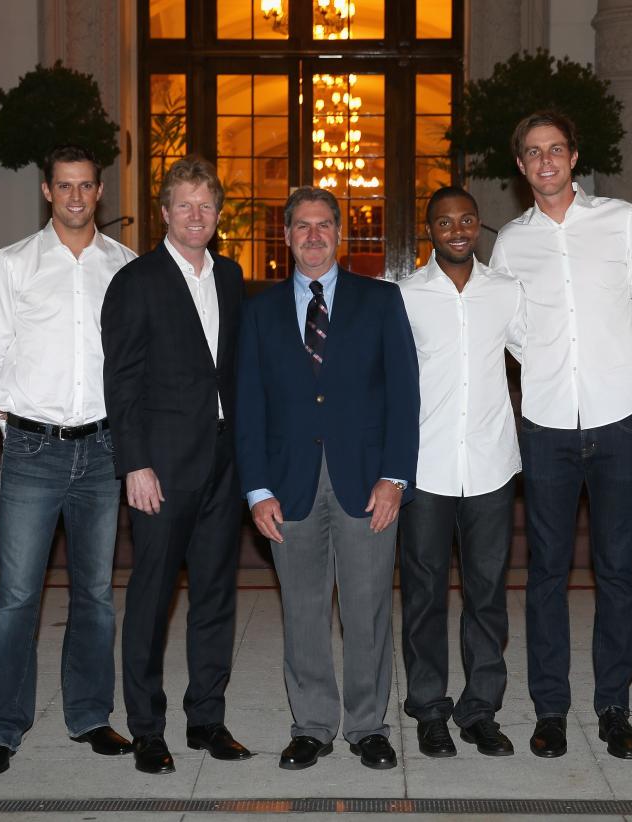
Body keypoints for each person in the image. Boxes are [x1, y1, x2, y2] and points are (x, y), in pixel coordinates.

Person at [490, 110, 632, 761]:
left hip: (621, 418)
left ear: (573, 154)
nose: (546, 161)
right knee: (546, 575)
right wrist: (550, 360)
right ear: (522, 166)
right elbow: (508, 326)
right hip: (548, 425)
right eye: (533, 153)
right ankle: (551, 710)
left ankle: (613, 707)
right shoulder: (510, 242)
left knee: (617, 572)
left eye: (555, 149)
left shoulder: (620, 219)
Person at [235, 187, 419, 771]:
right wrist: (257, 488)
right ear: (286, 237)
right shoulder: (258, 310)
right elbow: (248, 405)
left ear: (340, 234)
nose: (313, 236)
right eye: (302, 227)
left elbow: (405, 394)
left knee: (366, 607)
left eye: (323, 226)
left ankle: (368, 726)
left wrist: (395, 476)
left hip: (366, 480)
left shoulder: (381, 300)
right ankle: (312, 724)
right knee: (303, 608)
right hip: (287, 482)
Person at [0, 145, 136, 775]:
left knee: (95, 593)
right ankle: (2, 727)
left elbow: (128, 364)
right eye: (64, 186)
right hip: (33, 449)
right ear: (46, 190)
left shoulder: (123, 267)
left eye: (86, 187)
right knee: (16, 596)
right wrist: (20, 430)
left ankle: (91, 715)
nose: (75, 197)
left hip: (103, 450)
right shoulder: (12, 264)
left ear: (99, 193)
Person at [100, 155, 250, 775]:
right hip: (160, 466)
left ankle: (206, 718)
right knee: (153, 595)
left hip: (223, 462)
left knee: (215, 593)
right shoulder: (137, 281)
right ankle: (146, 728)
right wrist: (134, 463)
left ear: (217, 215)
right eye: (184, 205)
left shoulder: (233, 277)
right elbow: (122, 380)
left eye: (205, 205)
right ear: (164, 213)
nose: (196, 215)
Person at [396, 186, 522, 759]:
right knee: (423, 594)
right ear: (430, 231)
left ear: (479, 226)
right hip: (426, 467)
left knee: (487, 594)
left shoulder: (506, 291)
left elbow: (540, 356)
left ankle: (480, 709)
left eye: (466, 219)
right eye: (444, 221)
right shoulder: (406, 296)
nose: (456, 229)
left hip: (493, 464)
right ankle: (429, 709)